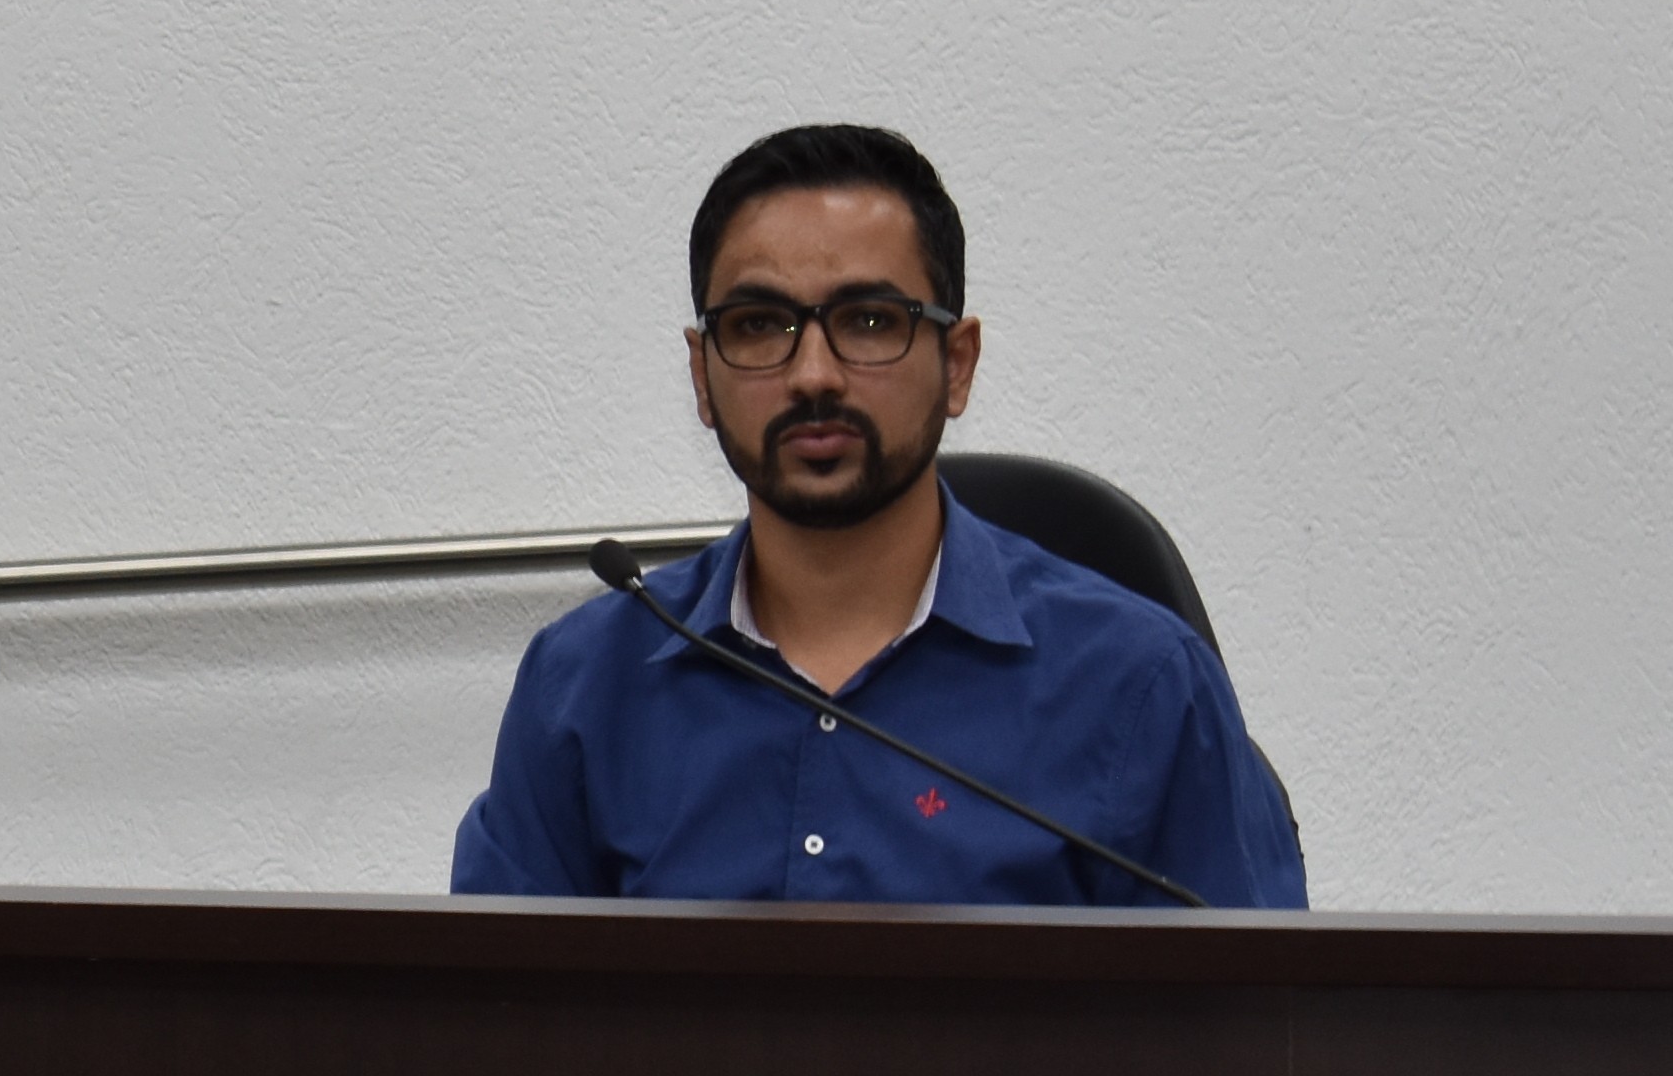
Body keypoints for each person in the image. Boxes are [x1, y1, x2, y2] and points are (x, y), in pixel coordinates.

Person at [450, 124, 1302, 906]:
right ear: (703, 376)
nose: (813, 375)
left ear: (957, 364)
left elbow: (1256, 1013)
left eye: (868, 321)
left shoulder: (1139, 685)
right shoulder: (584, 687)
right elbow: (493, 1010)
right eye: (759, 325)